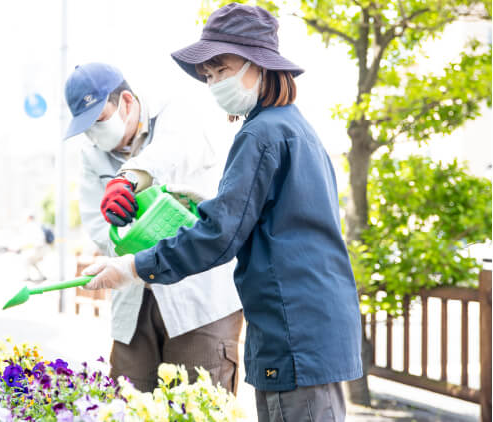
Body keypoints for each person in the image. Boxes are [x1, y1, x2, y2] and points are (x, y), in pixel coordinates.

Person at [82, 4, 363, 422]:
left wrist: (135, 267)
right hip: (303, 328)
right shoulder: (292, 128)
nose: (213, 83)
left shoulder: (263, 134)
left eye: (221, 70)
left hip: (294, 331)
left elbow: (219, 234)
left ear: (258, 64)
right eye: (209, 75)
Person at [63, 62, 243, 394]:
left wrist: (128, 178)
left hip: (199, 301)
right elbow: (99, 229)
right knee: (128, 406)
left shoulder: (177, 113)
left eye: (98, 120)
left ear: (127, 102)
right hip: (134, 303)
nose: (93, 134)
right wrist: (126, 245)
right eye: (85, 127)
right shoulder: (92, 157)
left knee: (198, 405)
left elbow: (174, 152)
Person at [20, 214, 47, 282]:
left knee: (26, 260)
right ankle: (41, 275)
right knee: (32, 262)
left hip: (37, 249)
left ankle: (28, 276)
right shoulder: (36, 225)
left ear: (29, 218)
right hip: (39, 249)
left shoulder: (31, 226)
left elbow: (36, 239)